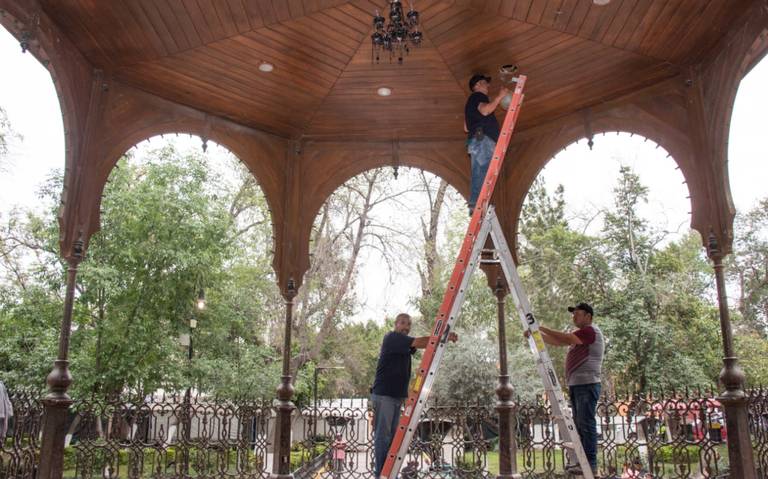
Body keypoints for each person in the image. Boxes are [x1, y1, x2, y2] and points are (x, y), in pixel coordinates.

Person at [370, 313, 458, 477]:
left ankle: (388, 473)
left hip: (396, 397)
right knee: (383, 437)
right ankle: (381, 475)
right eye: (403, 323)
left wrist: (440, 338)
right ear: (395, 324)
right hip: (385, 395)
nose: (406, 327)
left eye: (408, 324)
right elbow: (422, 342)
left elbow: (422, 345)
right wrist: (443, 337)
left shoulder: (405, 345)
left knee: (393, 439)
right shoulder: (392, 337)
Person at [524, 302, 604, 475]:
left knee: (586, 424)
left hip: (587, 385)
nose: (574, 316)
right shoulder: (581, 337)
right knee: (580, 425)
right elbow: (558, 342)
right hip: (578, 386)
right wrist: (535, 334)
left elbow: (565, 338)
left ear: (588, 316)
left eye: (578, 313)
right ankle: (583, 463)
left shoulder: (590, 331)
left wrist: (540, 327)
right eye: (573, 314)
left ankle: (591, 464)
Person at [464, 73, 509, 215]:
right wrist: (500, 97)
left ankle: (475, 205)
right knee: (482, 171)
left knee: (479, 171)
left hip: (477, 140)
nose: (488, 85)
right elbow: (485, 110)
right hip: (482, 140)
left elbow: (465, 127)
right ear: (476, 85)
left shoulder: (470, 103)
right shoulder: (478, 96)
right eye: (485, 82)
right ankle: (476, 205)